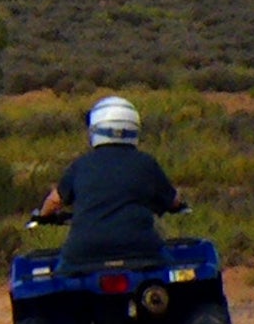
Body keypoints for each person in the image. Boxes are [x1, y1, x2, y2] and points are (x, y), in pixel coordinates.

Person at [37, 95, 180, 269]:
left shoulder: (82, 164)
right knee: (174, 276)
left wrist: (44, 216)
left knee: (60, 281)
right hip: (141, 249)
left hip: (84, 251)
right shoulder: (146, 163)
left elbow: (54, 200)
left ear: (95, 129)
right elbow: (173, 200)